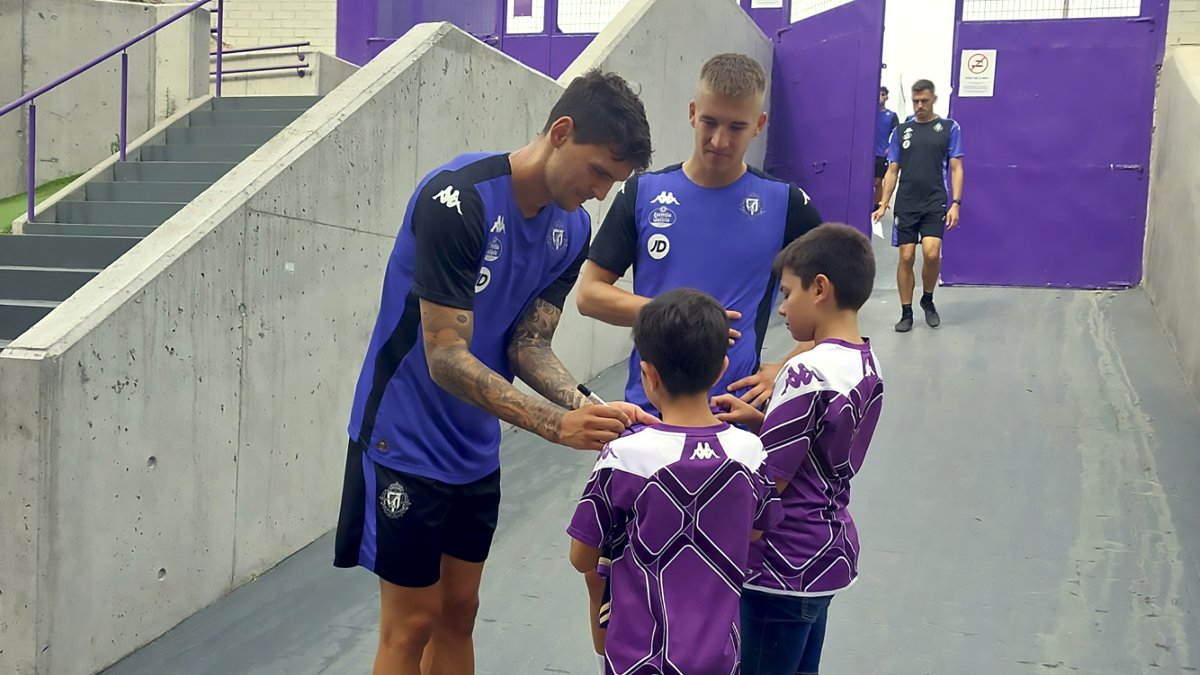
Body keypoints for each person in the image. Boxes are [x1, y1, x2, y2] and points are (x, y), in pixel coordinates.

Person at [333, 70, 657, 675]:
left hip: (475, 451)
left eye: (615, 182)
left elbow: (528, 343)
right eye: (599, 172)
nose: (601, 192)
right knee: (411, 624)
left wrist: (584, 402)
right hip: (403, 440)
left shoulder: (572, 228)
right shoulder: (459, 199)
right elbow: (446, 357)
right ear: (561, 132)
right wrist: (556, 425)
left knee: (460, 610)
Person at [574, 52, 822, 667]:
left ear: (758, 126)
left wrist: (785, 367)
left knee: (722, 595)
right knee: (628, 586)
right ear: (691, 112)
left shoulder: (784, 203)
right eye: (708, 121)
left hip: (734, 436)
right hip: (644, 426)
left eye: (736, 127)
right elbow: (590, 292)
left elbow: (834, 304)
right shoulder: (644, 193)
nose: (718, 138)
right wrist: (675, 315)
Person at [567, 288, 781, 675]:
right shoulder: (751, 453)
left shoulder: (624, 457)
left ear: (647, 375)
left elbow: (581, 557)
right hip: (721, 657)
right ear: (721, 368)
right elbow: (753, 536)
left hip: (639, 658)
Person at [713, 223, 884, 675]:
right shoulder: (866, 361)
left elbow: (770, 483)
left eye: (788, 294)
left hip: (780, 567)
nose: (783, 307)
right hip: (825, 555)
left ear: (820, 288)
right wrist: (759, 420)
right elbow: (823, 441)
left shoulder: (805, 370)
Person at [871, 79, 964, 332]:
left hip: (935, 201)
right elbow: (892, 171)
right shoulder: (901, 132)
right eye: (916, 101)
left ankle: (928, 299)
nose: (920, 105)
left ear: (933, 99)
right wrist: (883, 203)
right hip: (907, 203)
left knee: (932, 253)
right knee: (907, 256)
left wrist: (955, 203)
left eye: (924, 100)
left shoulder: (948, 128)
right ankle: (906, 312)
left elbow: (956, 168)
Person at [874, 86, 900, 211]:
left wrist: (890, 148)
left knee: (878, 182)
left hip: (881, 155)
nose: (880, 97)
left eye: (883, 94)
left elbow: (897, 133)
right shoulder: (870, 114)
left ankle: (876, 207)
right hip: (868, 153)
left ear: (886, 97)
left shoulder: (892, 115)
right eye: (878, 94)